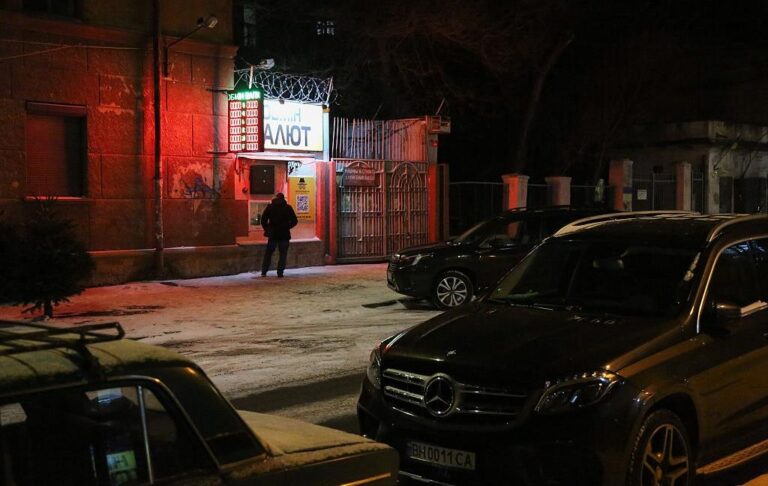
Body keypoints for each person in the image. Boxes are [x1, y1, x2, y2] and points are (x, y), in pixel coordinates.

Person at [260, 193, 298, 277]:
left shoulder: (270, 207)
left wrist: (267, 228)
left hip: (273, 234)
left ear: (276, 198)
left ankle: (264, 271)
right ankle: (280, 273)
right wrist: (287, 227)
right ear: (284, 198)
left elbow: (263, 220)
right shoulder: (288, 208)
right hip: (284, 234)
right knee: (283, 254)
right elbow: (295, 221)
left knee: (268, 253)